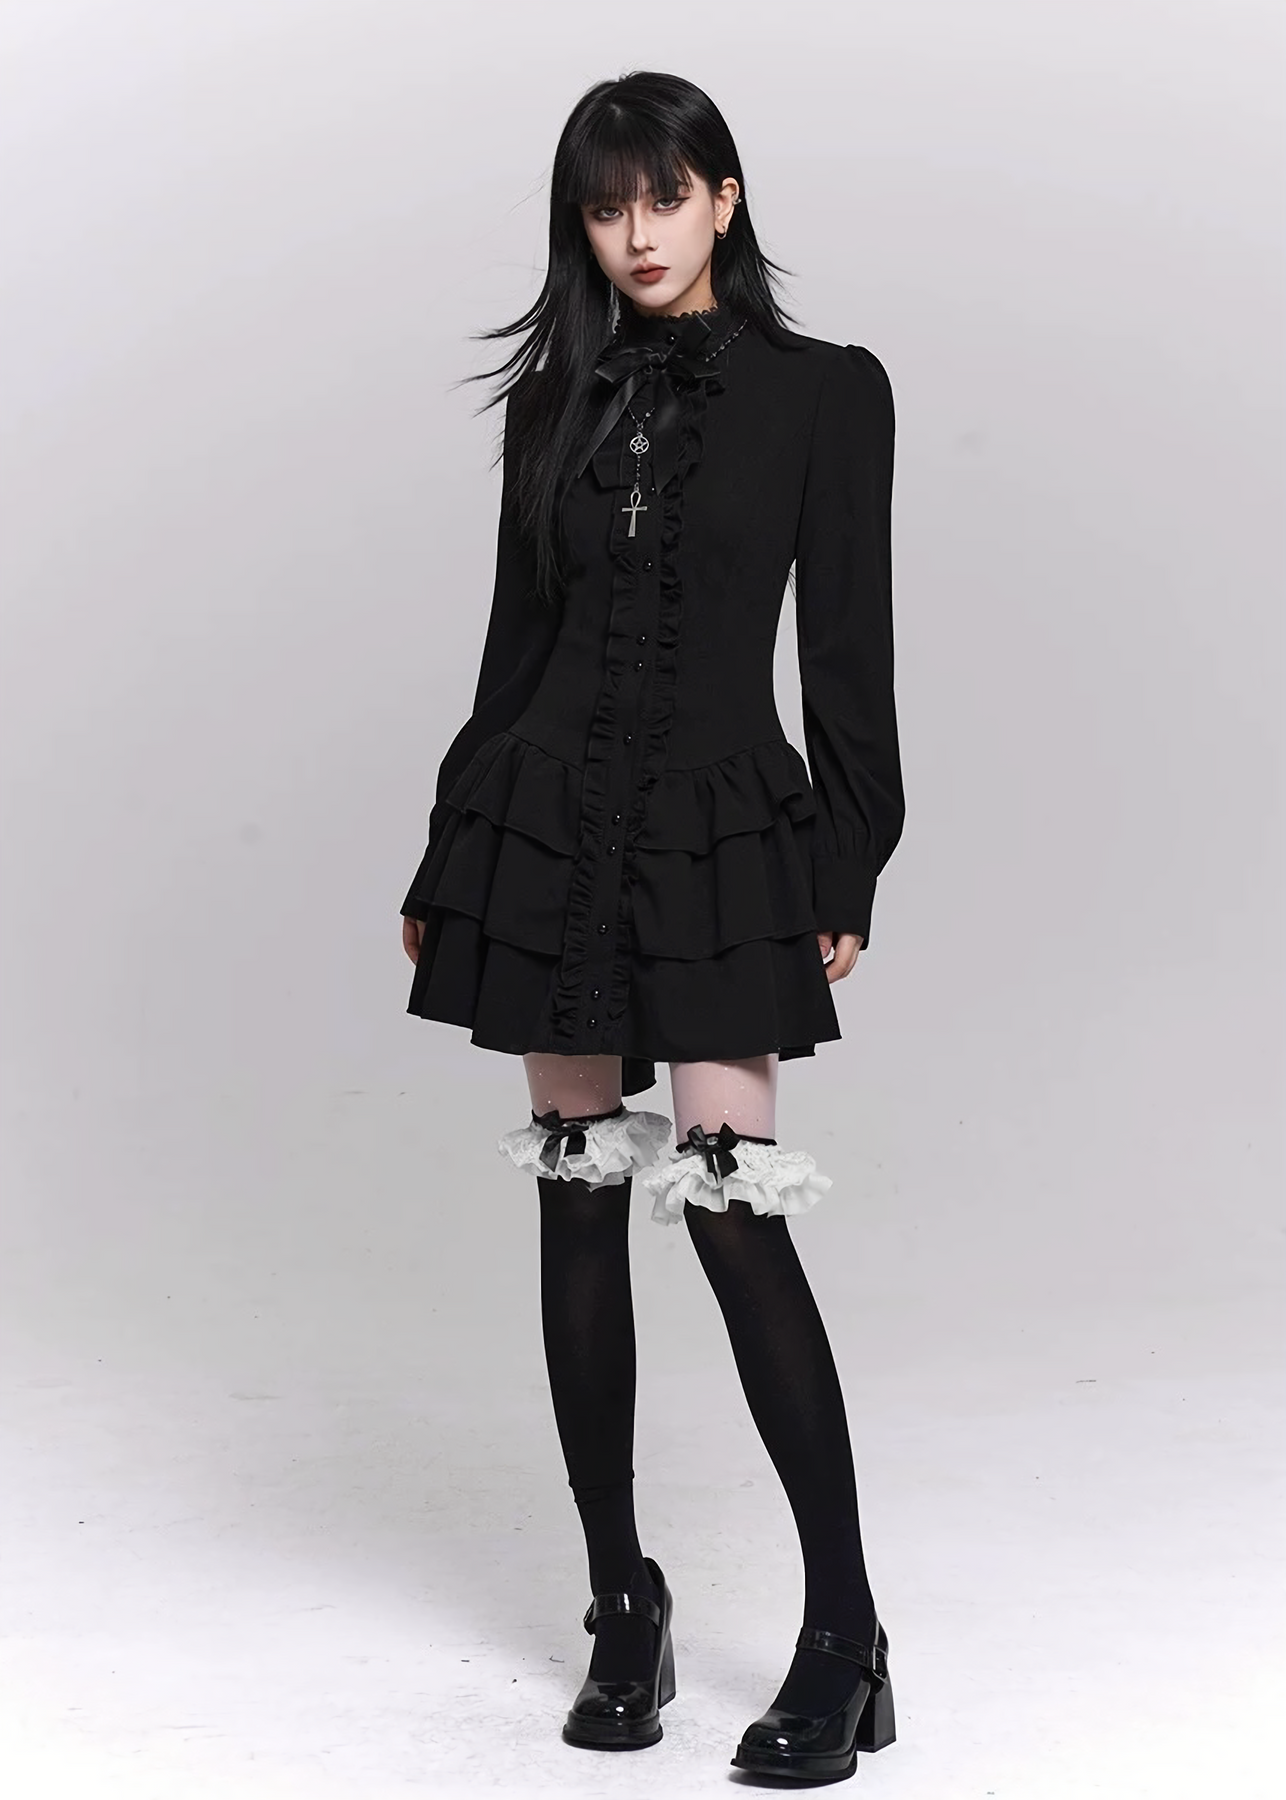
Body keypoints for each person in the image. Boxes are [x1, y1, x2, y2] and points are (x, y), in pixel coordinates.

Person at [399, 69, 904, 1782]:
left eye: (663, 197)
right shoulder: (556, 397)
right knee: (572, 1209)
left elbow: (847, 649)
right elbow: (513, 645)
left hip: (713, 827)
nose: (635, 234)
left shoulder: (827, 393)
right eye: (607, 205)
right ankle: (623, 1598)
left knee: (730, 1208)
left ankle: (843, 1633)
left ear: (723, 197)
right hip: (543, 822)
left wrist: (847, 856)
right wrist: (447, 848)